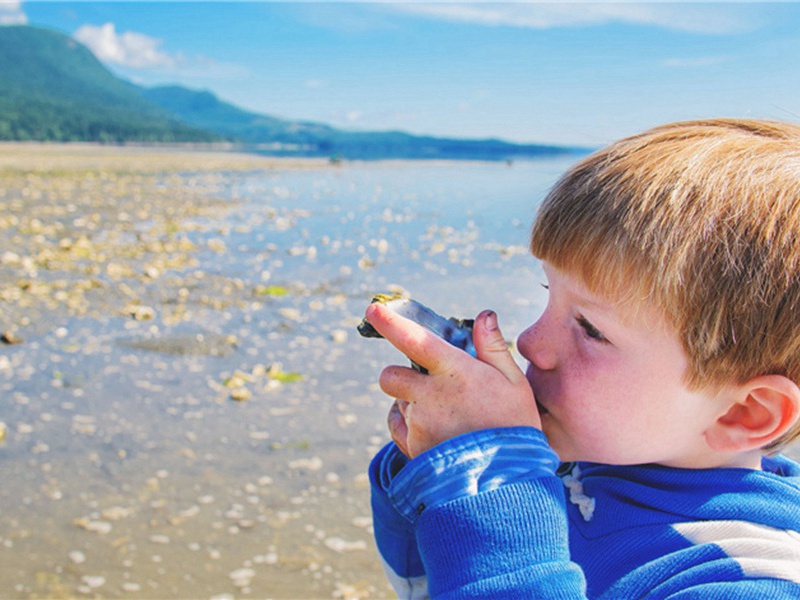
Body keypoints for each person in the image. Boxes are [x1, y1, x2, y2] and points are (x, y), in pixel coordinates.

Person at [363, 119, 800, 599]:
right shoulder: (581, 457)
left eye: (591, 329)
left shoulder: (750, 579)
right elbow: (420, 582)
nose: (529, 341)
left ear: (746, 411)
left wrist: (491, 481)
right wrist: (435, 460)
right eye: (549, 294)